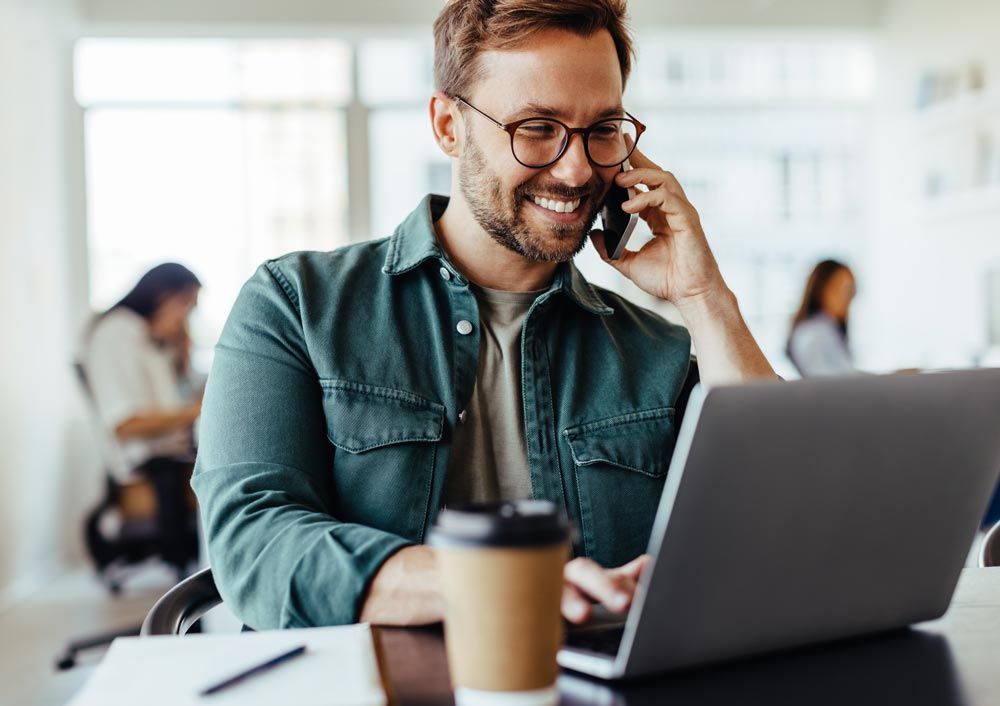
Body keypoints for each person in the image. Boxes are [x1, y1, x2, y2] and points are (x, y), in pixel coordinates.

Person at [193, 0, 776, 631]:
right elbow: (255, 541)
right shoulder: (296, 305)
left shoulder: (656, 353)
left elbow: (784, 518)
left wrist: (704, 297)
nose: (577, 169)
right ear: (449, 125)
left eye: (603, 129)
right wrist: (499, 581)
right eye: (537, 127)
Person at [82, 262, 203, 569]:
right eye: (185, 306)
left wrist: (182, 356)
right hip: (149, 466)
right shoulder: (117, 333)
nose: (185, 319)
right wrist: (197, 410)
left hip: (168, 456)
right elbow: (126, 424)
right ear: (163, 295)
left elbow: (173, 399)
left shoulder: (151, 341)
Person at [786, 259, 858, 377]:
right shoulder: (815, 332)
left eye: (851, 290)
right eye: (841, 288)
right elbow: (835, 382)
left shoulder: (828, 328)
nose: (847, 298)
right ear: (820, 289)